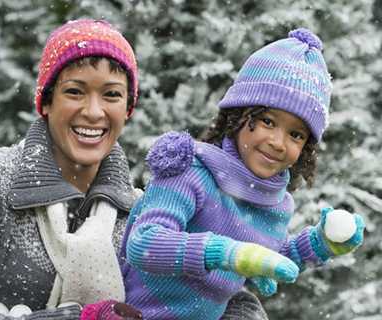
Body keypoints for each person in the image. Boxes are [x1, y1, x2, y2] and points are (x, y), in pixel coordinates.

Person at [0, 19, 269, 320]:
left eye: (112, 95)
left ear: (127, 109)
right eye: (75, 91)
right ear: (46, 101)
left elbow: (235, 302)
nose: (94, 111)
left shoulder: (144, 214)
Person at [119, 28, 365, 320]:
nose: (278, 141)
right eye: (267, 120)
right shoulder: (190, 171)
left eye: (296, 134)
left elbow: (270, 261)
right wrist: (224, 253)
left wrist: (320, 244)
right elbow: (144, 243)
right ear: (237, 115)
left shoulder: (273, 204)